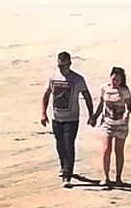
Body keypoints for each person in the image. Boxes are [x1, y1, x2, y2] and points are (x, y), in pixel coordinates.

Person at [40, 50, 94, 187]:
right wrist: (43, 113)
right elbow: (46, 95)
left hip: (72, 118)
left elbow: (87, 96)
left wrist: (91, 114)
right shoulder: (53, 77)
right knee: (59, 144)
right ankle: (63, 166)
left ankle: (67, 175)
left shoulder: (77, 79)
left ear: (69, 64)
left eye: (63, 65)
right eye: (59, 65)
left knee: (69, 144)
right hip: (56, 117)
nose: (61, 68)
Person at [91, 66, 131, 187]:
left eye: (118, 80)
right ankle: (106, 177)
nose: (115, 82)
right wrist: (94, 117)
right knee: (106, 150)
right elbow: (101, 104)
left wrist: (126, 114)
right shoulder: (105, 89)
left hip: (121, 125)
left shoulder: (125, 91)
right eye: (113, 79)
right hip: (107, 123)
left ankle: (118, 177)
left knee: (118, 151)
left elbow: (129, 107)